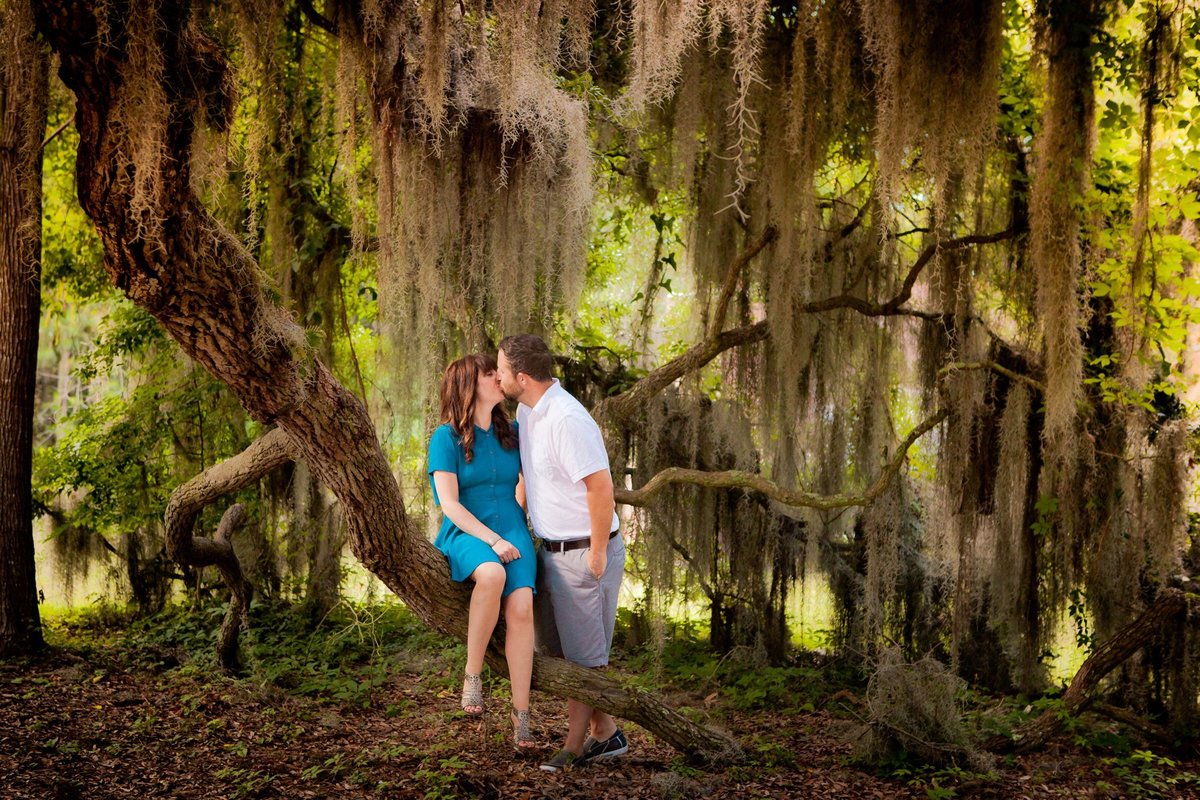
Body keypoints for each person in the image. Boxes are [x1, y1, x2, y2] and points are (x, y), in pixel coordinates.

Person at [496, 334, 628, 773]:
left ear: (522, 377)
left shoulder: (568, 419)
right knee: (557, 651)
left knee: (584, 659)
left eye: (500, 370)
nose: (496, 377)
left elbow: (600, 486)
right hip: (548, 551)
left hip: (582, 554)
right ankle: (607, 732)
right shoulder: (527, 410)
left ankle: (575, 747)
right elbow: (530, 479)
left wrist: (594, 556)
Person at [427, 353, 537, 751]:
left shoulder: (513, 432)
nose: (498, 378)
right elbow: (450, 504)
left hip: (512, 527)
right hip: (467, 530)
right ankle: (473, 674)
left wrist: (516, 521)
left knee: (523, 607)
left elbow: (527, 478)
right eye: (489, 374)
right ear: (467, 386)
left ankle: (521, 715)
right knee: (492, 575)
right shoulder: (446, 437)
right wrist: (492, 540)